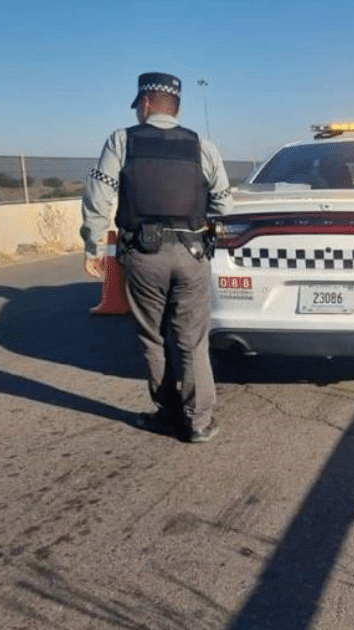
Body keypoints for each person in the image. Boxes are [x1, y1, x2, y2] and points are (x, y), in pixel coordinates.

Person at [80, 72, 233, 442]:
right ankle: (198, 422)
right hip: (193, 252)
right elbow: (224, 203)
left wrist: (93, 245)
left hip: (143, 255)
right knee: (193, 340)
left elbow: (100, 197)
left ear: (145, 104)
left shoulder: (122, 140)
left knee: (152, 337)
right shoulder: (202, 145)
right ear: (176, 107)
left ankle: (168, 412)